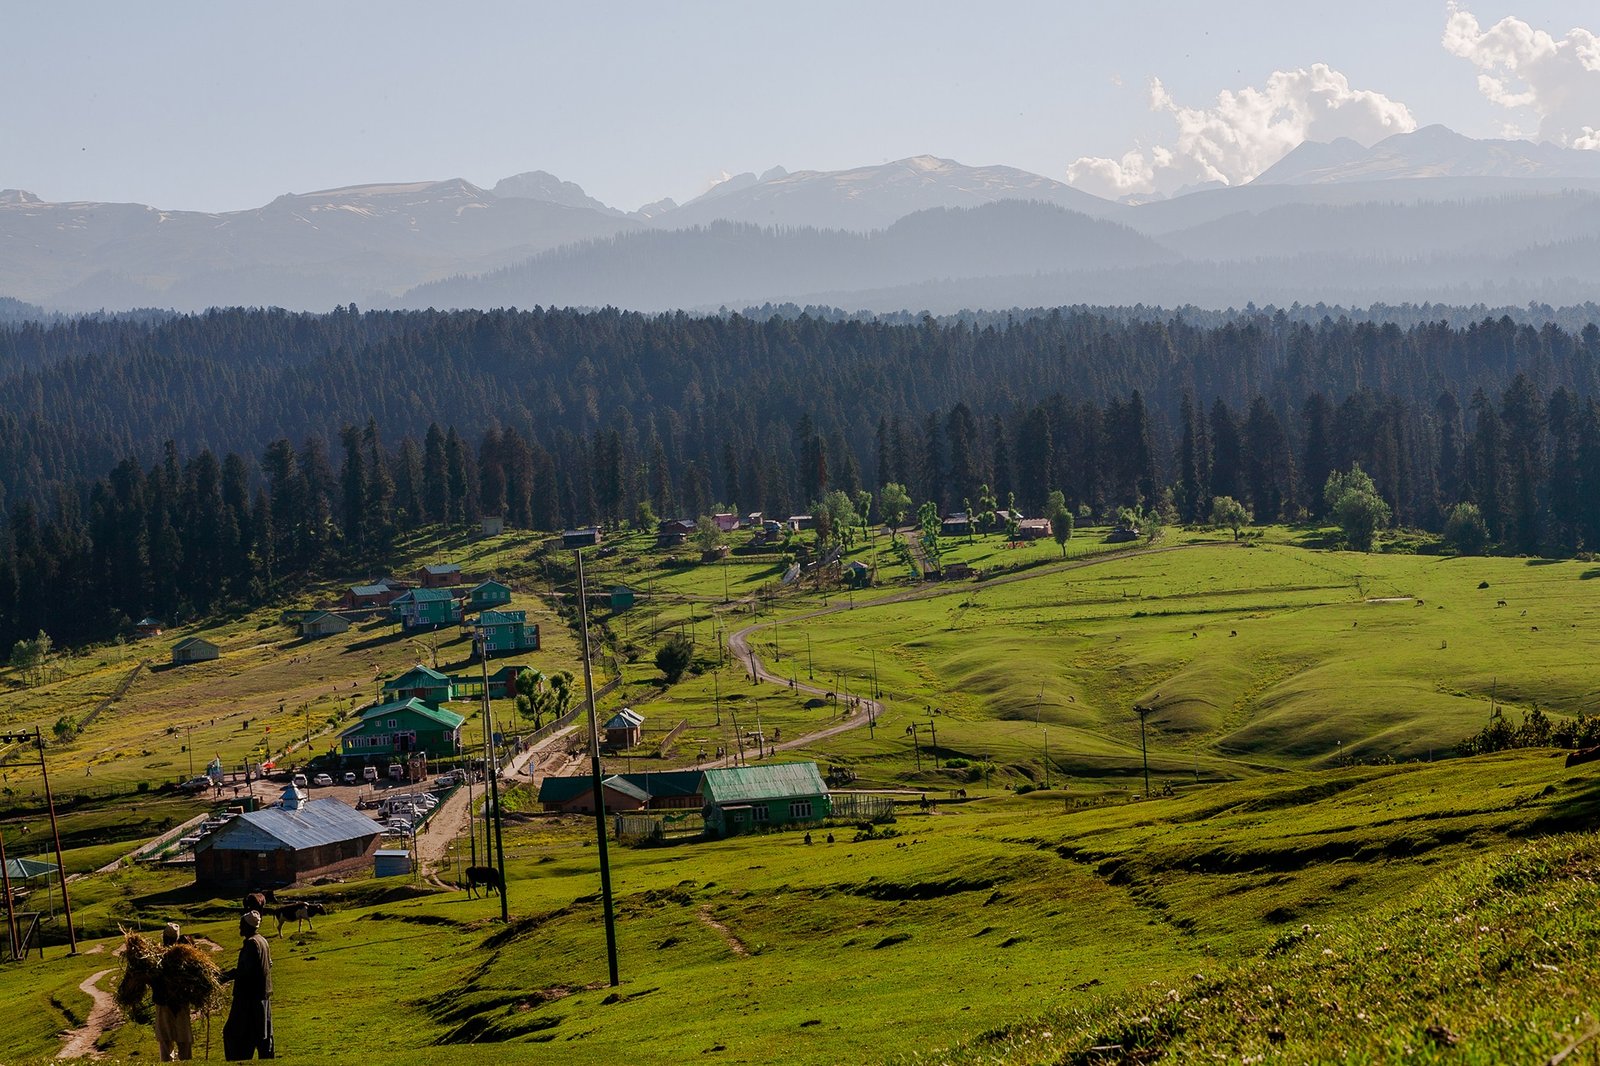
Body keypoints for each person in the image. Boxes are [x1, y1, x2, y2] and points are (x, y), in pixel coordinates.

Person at [222, 911, 273, 1060]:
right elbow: (269, 963)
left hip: (248, 997)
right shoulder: (262, 940)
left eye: (241, 924)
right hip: (262, 995)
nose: (239, 927)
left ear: (247, 926)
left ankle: (239, 1059)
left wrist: (226, 976)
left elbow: (247, 971)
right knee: (261, 1032)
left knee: (234, 1033)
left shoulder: (251, 943)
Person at [151, 923, 193, 1061]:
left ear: (164, 937)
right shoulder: (186, 956)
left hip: (164, 1004)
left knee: (165, 1042)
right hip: (181, 1004)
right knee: (184, 1041)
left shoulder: (157, 958)